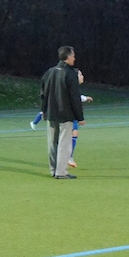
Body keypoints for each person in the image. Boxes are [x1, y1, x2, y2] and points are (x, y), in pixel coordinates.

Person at [41, 46, 85, 179]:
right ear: (68, 56)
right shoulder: (70, 74)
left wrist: (44, 110)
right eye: (73, 56)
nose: (74, 58)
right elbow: (74, 97)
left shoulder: (49, 72)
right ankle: (61, 172)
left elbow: (43, 94)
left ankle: (53, 169)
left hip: (51, 112)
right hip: (65, 114)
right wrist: (80, 117)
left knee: (52, 143)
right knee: (64, 143)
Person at [68, 70, 93, 168]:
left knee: (74, 133)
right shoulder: (72, 86)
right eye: (80, 74)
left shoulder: (73, 87)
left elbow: (76, 97)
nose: (82, 76)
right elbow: (75, 99)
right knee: (71, 134)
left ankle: (68, 157)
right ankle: (68, 157)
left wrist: (85, 98)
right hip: (69, 114)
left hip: (71, 114)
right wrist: (80, 118)